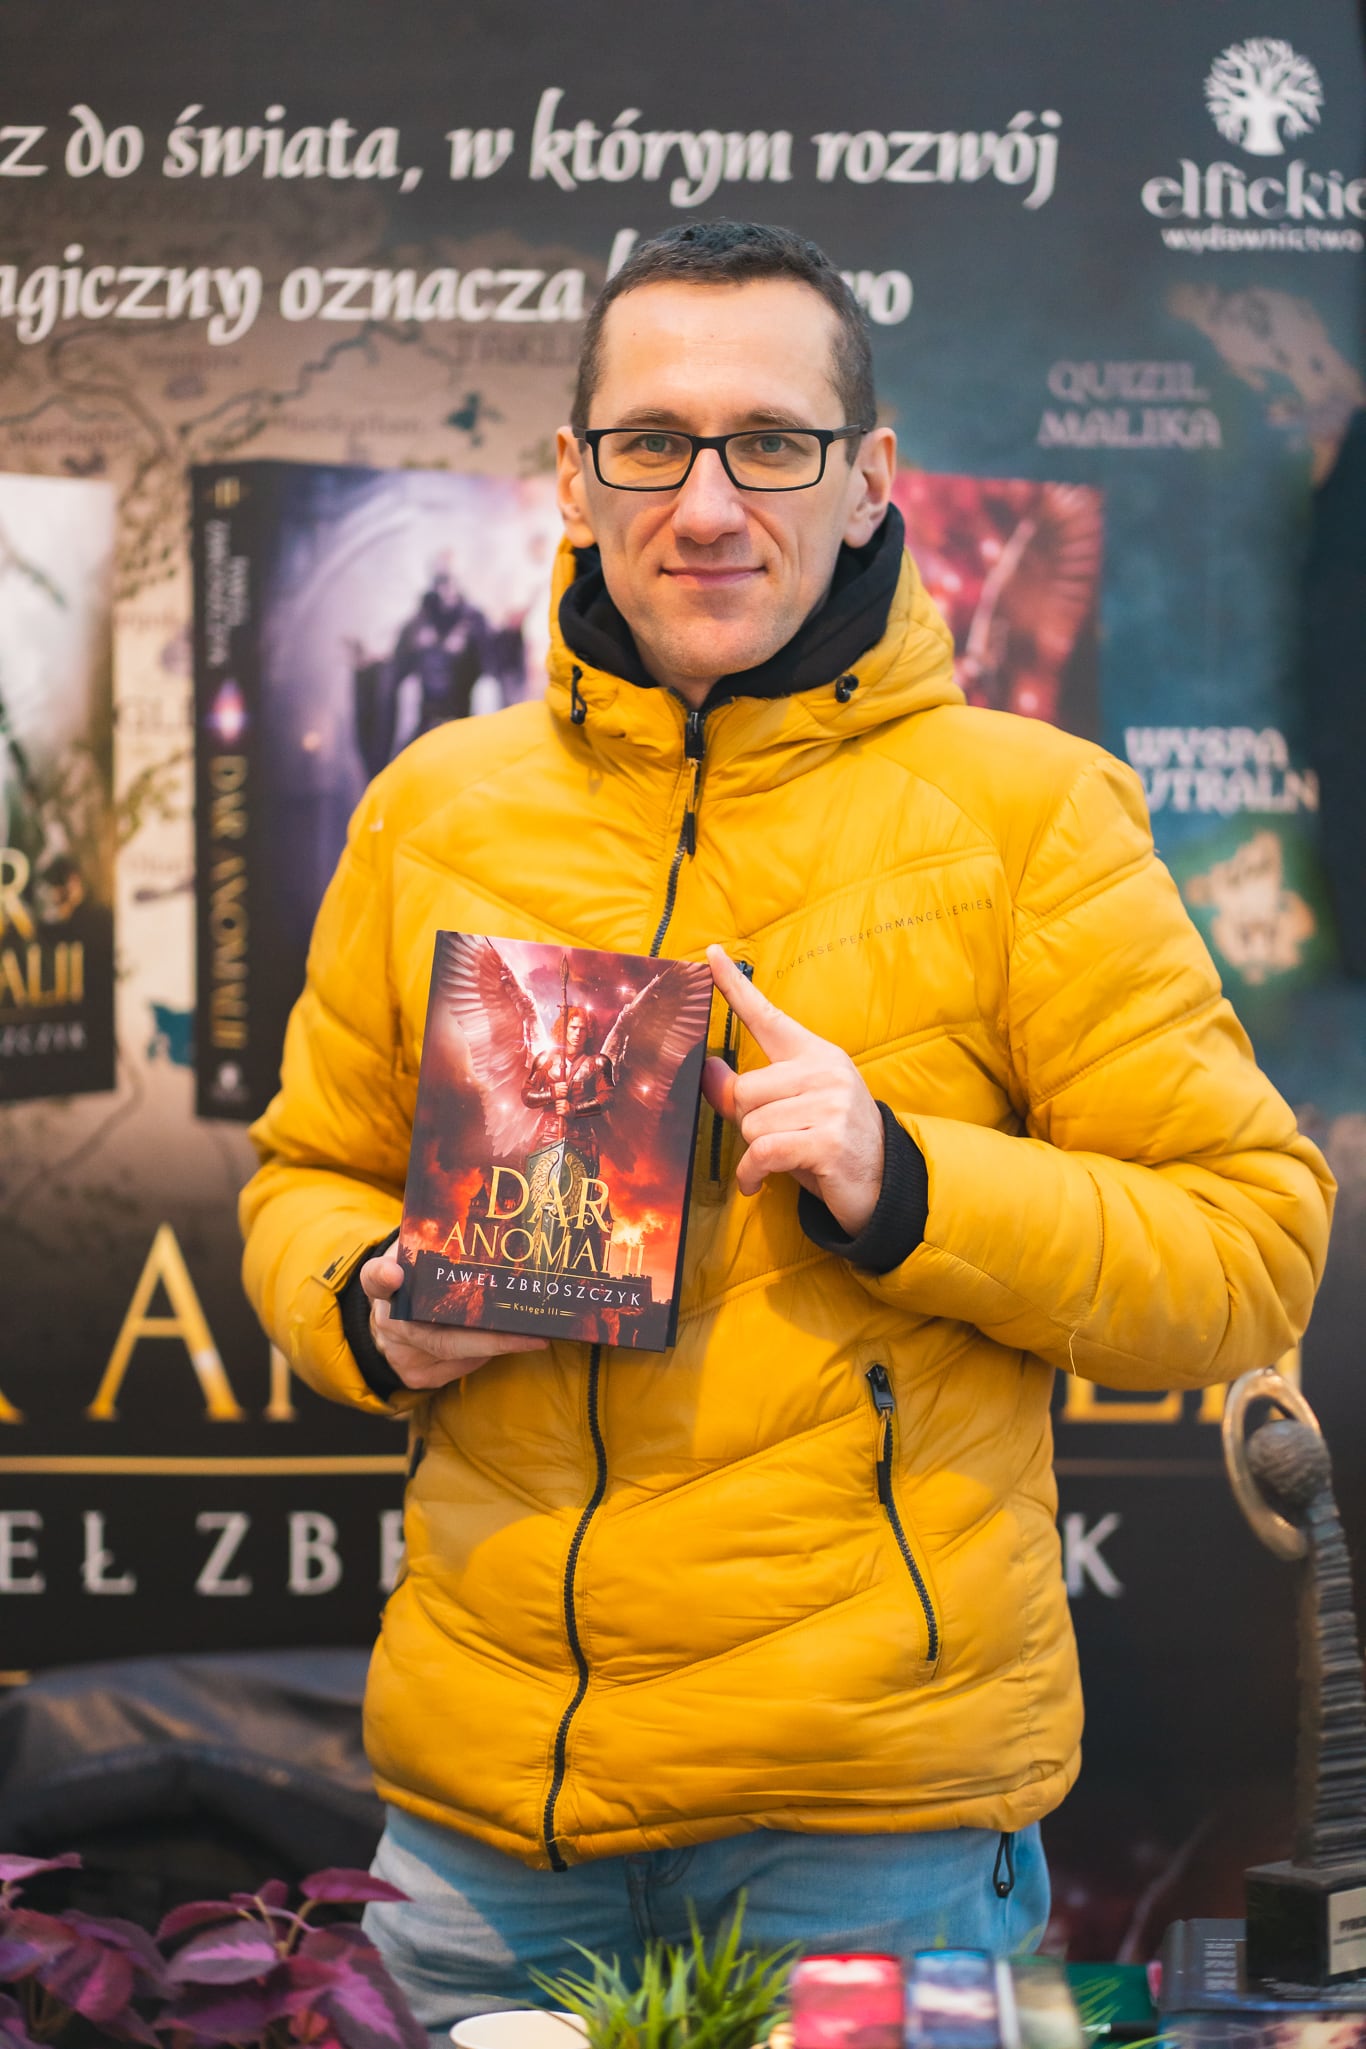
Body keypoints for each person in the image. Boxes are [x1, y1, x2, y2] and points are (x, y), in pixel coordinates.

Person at [240, 221, 1334, 2040]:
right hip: (484, 1825)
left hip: (864, 1831)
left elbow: (1245, 1250)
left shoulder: (1026, 817)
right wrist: (369, 1300)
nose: (706, 502)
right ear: (574, 479)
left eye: (769, 442)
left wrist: (906, 1179)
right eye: (651, 443)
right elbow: (304, 1176)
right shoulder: (437, 807)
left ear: (867, 478)